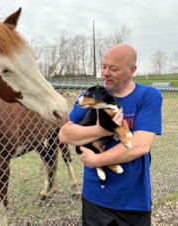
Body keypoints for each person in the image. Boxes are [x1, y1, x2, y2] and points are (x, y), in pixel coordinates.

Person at [59, 44, 162, 226]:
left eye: (113, 69)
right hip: (95, 197)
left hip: (133, 201)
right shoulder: (90, 95)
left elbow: (140, 146)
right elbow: (65, 134)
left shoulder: (148, 96)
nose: (105, 72)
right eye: (104, 66)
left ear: (132, 70)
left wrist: (96, 161)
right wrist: (102, 129)